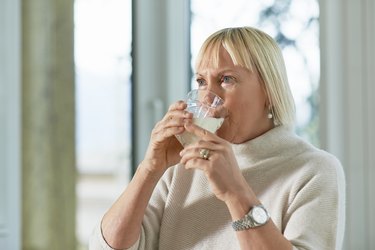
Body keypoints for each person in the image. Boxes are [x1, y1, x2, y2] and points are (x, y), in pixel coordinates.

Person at [89, 26, 345, 250]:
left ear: (269, 90)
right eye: (201, 81)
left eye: (226, 79)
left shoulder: (314, 170)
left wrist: (235, 193)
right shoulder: (180, 165)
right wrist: (149, 169)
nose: (208, 96)